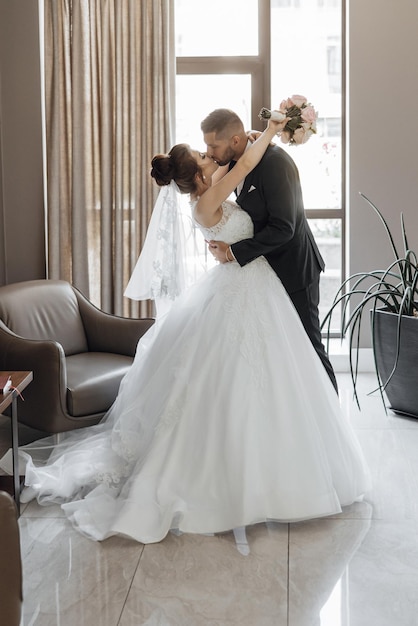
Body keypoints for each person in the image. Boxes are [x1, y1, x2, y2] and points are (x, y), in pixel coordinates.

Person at [0, 117, 370, 549]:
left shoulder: (213, 191)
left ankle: (305, 451)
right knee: (247, 377)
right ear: (197, 173)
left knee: (277, 371)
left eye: (211, 151)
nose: (210, 156)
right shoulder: (210, 194)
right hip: (245, 286)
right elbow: (247, 164)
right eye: (204, 155)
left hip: (253, 285)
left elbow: (253, 182)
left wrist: (260, 141)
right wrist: (268, 130)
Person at [201, 108, 339, 393]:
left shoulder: (275, 163)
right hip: (265, 277)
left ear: (236, 140)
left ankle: (332, 425)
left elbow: (283, 227)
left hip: (294, 270)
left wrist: (232, 253)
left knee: (309, 348)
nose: (209, 151)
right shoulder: (236, 164)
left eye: (213, 145)